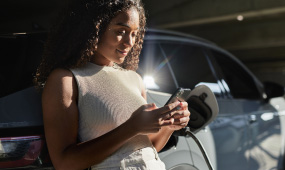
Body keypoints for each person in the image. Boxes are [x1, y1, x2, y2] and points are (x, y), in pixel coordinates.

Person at [34, 0, 190, 169]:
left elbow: (147, 148)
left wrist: (170, 126)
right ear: (94, 28)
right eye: (121, 31)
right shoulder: (66, 80)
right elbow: (64, 163)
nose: (129, 42)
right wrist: (132, 127)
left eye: (134, 34)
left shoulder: (134, 79)